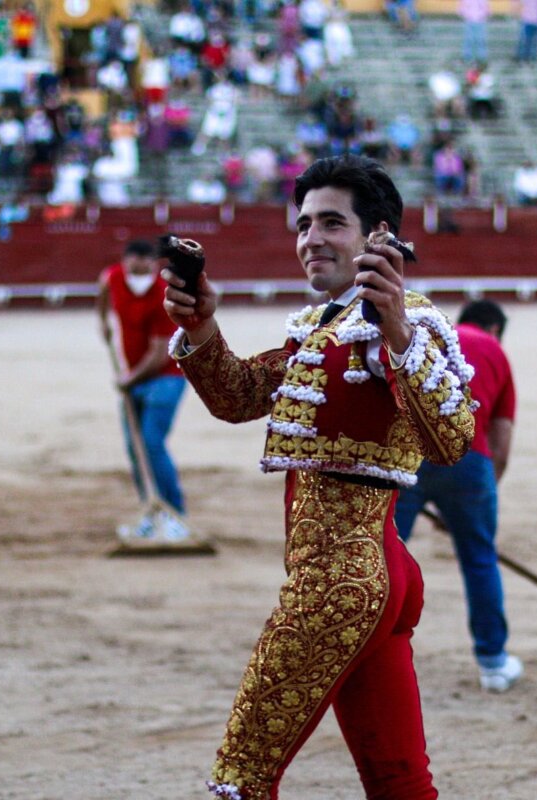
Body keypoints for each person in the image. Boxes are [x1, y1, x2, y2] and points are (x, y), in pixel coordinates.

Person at [162, 154, 475, 799]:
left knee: (240, 780)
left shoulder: (409, 322)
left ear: (378, 234)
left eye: (331, 223)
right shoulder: (321, 325)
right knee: (400, 785)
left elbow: (451, 442)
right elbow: (240, 396)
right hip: (373, 579)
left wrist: (395, 334)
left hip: (339, 582)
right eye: (303, 225)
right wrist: (200, 326)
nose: (310, 240)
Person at [394, 298, 520, 692]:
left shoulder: (427, 334)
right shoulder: (496, 352)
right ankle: (494, 664)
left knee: (384, 558)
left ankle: (366, 656)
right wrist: (474, 505)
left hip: (409, 458)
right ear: (496, 329)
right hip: (470, 461)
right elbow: (500, 442)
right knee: (480, 559)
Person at [98, 240, 188, 524]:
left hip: (167, 377)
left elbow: (159, 355)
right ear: (126, 262)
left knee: (150, 442)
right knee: (133, 447)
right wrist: (102, 320)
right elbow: (102, 285)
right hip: (137, 377)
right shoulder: (113, 277)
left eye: (149, 262)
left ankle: (174, 514)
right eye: (138, 263)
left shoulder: (164, 296)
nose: (144, 268)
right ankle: (151, 509)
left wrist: (127, 380)